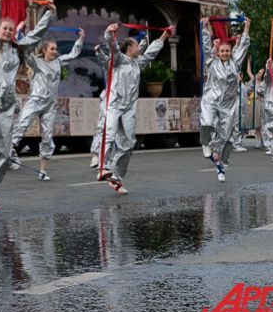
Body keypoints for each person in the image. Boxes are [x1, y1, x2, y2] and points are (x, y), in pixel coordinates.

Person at [0, 0, 52, 211]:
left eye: (10, 29)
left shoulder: (19, 48)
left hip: (7, 103)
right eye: (3, 28)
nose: (7, 31)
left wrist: (49, 14)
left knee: (6, 153)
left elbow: (37, 35)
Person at [98, 24, 169, 193]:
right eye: (137, 45)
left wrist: (164, 35)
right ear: (129, 48)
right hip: (114, 105)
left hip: (129, 107)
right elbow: (113, 45)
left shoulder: (138, 62)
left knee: (129, 143)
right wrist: (109, 32)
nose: (139, 48)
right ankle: (102, 167)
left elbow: (151, 52)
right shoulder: (119, 59)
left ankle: (116, 178)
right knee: (110, 134)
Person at [10, 29, 85, 181]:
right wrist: (20, 33)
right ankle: (10, 152)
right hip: (36, 101)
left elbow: (74, 54)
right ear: (44, 50)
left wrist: (81, 39)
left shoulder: (58, 62)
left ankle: (43, 171)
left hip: (50, 105)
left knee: (47, 137)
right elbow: (24, 50)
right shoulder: (36, 63)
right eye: (52, 49)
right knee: (22, 125)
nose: (55, 51)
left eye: (56, 49)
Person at [199, 17, 251, 182]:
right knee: (207, 122)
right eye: (222, 51)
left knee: (225, 136)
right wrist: (206, 27)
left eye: (227, 51)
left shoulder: (235, 64)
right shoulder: (211, 62)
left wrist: (247, 27)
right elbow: (206, 47)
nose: (225, 53)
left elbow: (243, 46)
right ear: (218, 52)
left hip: (228, 104)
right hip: (211, 100)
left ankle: (220, 165)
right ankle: (206, 144)